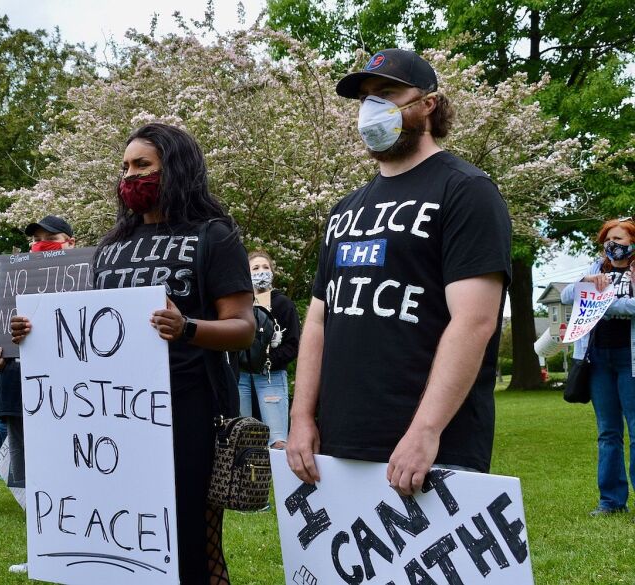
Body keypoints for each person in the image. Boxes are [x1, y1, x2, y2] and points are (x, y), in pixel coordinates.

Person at [11, 124, 255, 584]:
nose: (130, 176)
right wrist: (31, 336)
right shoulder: (110, 247)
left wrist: (189, 329)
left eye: (142, 165)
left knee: (194, 546)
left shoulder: (213, 236)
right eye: (125, 167)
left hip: (190, 409)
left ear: (176, 169)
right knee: (125, 544)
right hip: (112, 417)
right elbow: (84, 333)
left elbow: (243, 327)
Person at [286, 49, 511, 496]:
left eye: (387, 94)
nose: (373, 109)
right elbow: (318, 320)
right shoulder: (344, 210)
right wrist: (301, 417)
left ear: (428, 103)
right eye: (366, 98)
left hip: (431, 448)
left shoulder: (466, 192)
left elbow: (475, 321)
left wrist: (425, 430)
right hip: (338, 443)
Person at [0, 214, 76, 574]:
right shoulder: (10, 286)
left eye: (49, 237)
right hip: (17, 393)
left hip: (68, 397)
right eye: (34, 239)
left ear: (70, 241)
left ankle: (77, 546)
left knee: (67, 472)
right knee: (29, 477)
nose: (39, 244)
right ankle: (43, 550)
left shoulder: (83, 281)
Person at [560, 217, 635, 516]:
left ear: (632, 243)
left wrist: (600, 303)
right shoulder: (595, 268)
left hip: (629, 361)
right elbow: (567, 296)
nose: (612, 245)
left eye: (619, 239)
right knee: (608, 433)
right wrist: (587, 284)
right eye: (608, 239)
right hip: (599, 360)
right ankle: (611, 501)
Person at [237, 250, 300, 450]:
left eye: (265, 267)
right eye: (255, 268)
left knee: (278, 439)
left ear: (272, 272)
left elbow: (292, 345)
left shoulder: (283, 304)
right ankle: (246, 480)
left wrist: (266, 359)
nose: (261, 271)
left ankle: (281, 478)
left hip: (270, 376)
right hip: (241, 376)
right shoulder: (239, 305)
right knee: (242, 436)